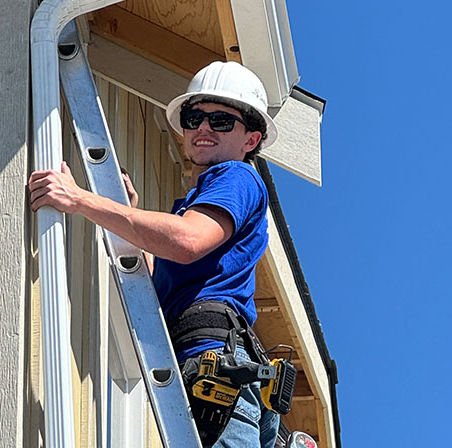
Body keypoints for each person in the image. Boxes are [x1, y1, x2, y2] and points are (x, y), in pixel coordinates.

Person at [28, 61, 280, 448]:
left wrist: (80, 200)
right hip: (204, 379)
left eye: (222, 121)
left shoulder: (236, 177)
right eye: (195, 118)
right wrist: (126, 214)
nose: (204, 128)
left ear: (250, 140)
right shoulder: (197, 202)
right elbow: (159, 287)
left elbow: (185, 241)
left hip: (217, 381)